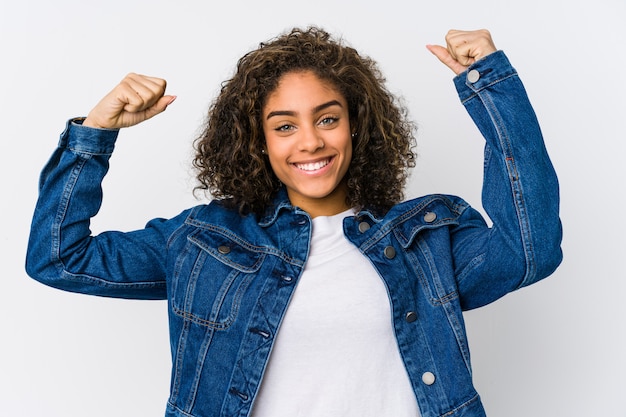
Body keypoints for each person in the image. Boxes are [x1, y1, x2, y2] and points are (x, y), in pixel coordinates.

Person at [26, 27, 562, 417]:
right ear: (258, 141)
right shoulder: (205, 242)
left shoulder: (423, 239)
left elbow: (530, 251)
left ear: (357, 126)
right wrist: (94, 134)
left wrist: (492, 86)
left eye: (328, 118)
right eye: (285, 126)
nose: (310, 141)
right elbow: (59, 259)